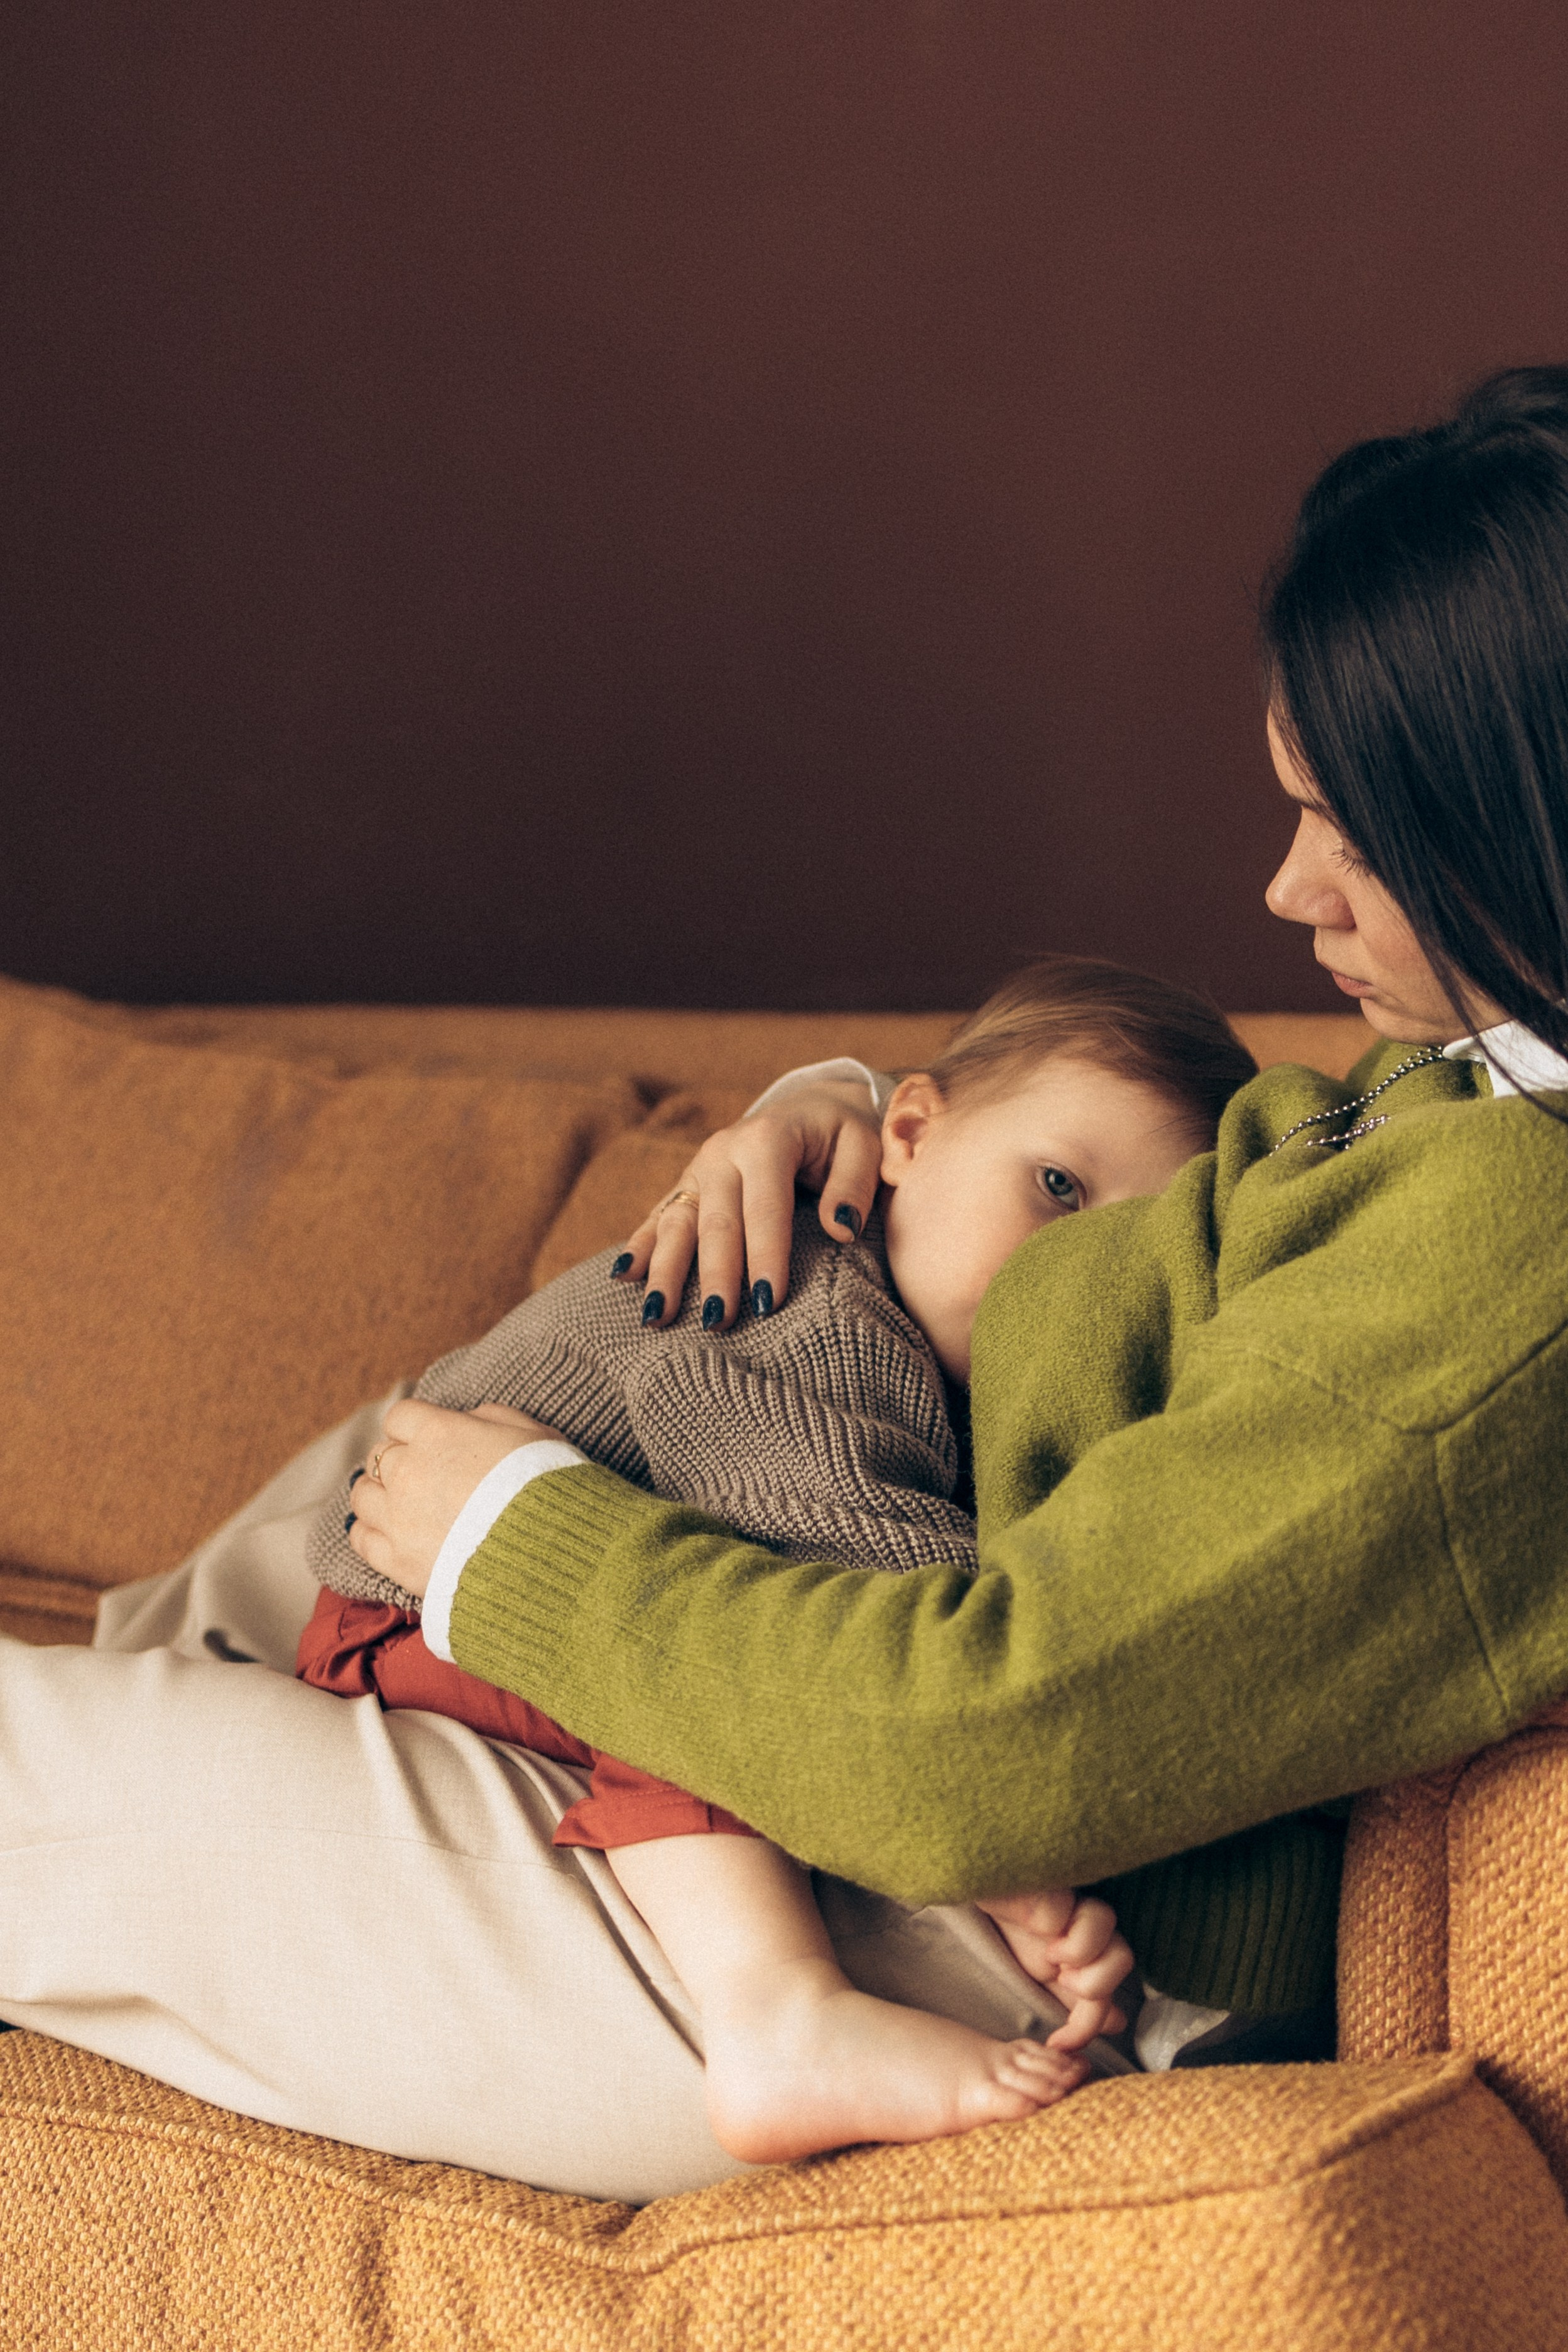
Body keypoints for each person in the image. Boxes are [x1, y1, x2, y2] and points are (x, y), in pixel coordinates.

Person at [6, 363, 1568, 2203]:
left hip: (917, 1918)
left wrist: (532, 1538)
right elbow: (1148, 1191)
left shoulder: (1514, 1254)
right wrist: (842, 1129)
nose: (1289, 889)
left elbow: (992, 1743)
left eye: (1360, 829)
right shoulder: (1465, 1090)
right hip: (819, 1764)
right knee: (387, 1489)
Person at [305, 958, 1256, 2162]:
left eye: (1128, 1265)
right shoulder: (806, 1300)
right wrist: (1007, 1869)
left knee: (730, 1645)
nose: (1064, 1273)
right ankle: (777, 2012)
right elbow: (867, 1597)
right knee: (711, 1673)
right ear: (906, 1131)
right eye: (1056, 1188)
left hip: (493, 1570)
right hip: (410, 1602)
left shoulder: (949, 1357)